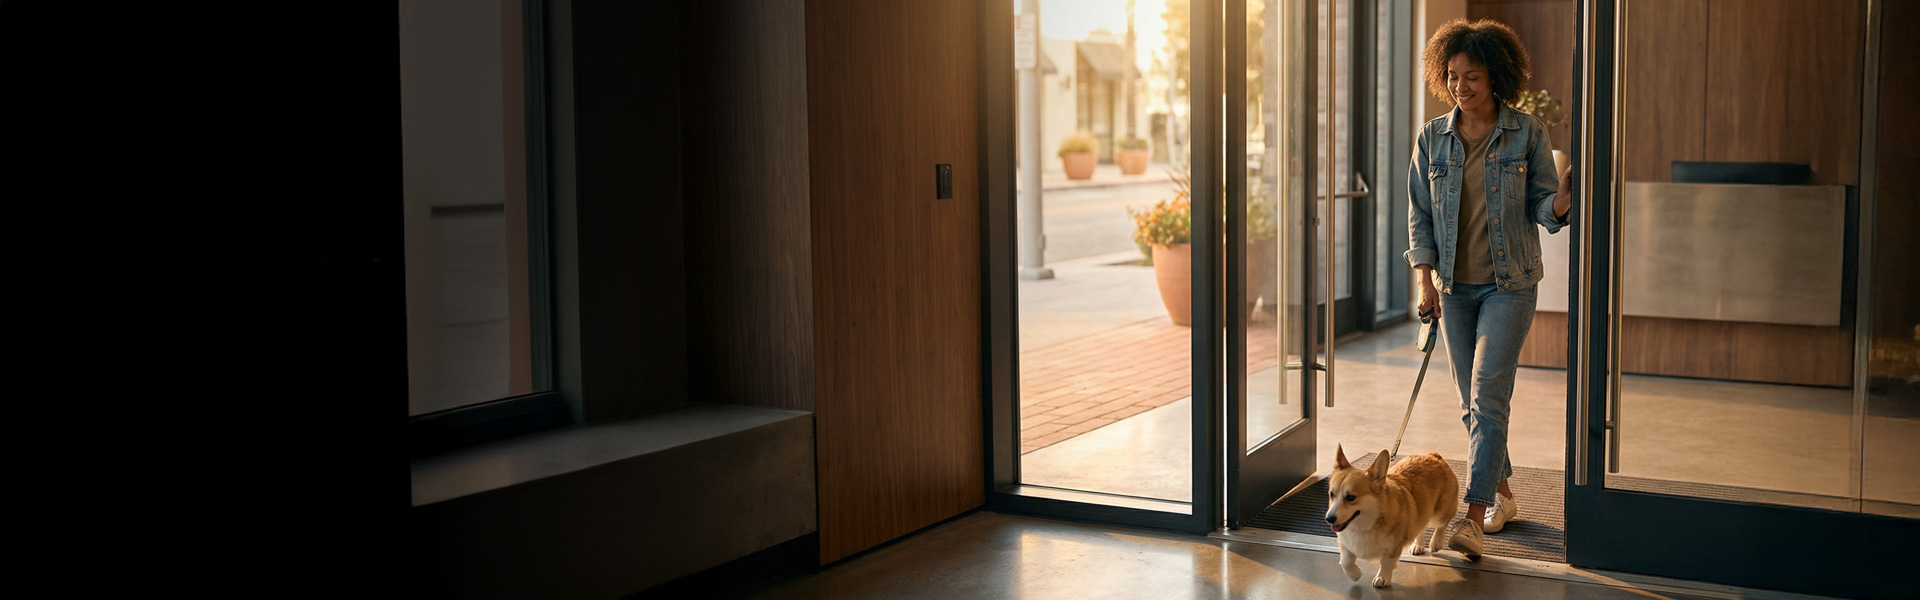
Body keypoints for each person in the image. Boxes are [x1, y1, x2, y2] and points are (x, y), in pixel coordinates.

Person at [1406, 18, 1573, 559]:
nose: (1461, 86)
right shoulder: (1432, 137)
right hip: (1452, 288)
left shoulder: (1526, 133)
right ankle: (1503, 496)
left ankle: (1472, 519)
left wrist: (1562, 204)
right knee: (1470, 404)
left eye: (1472, 76)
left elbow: (1541, 205)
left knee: (1487, 396)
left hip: (1510, 285)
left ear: (1496, 77)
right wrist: (1424, 283)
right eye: (1453, 76)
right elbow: (1420, 218)